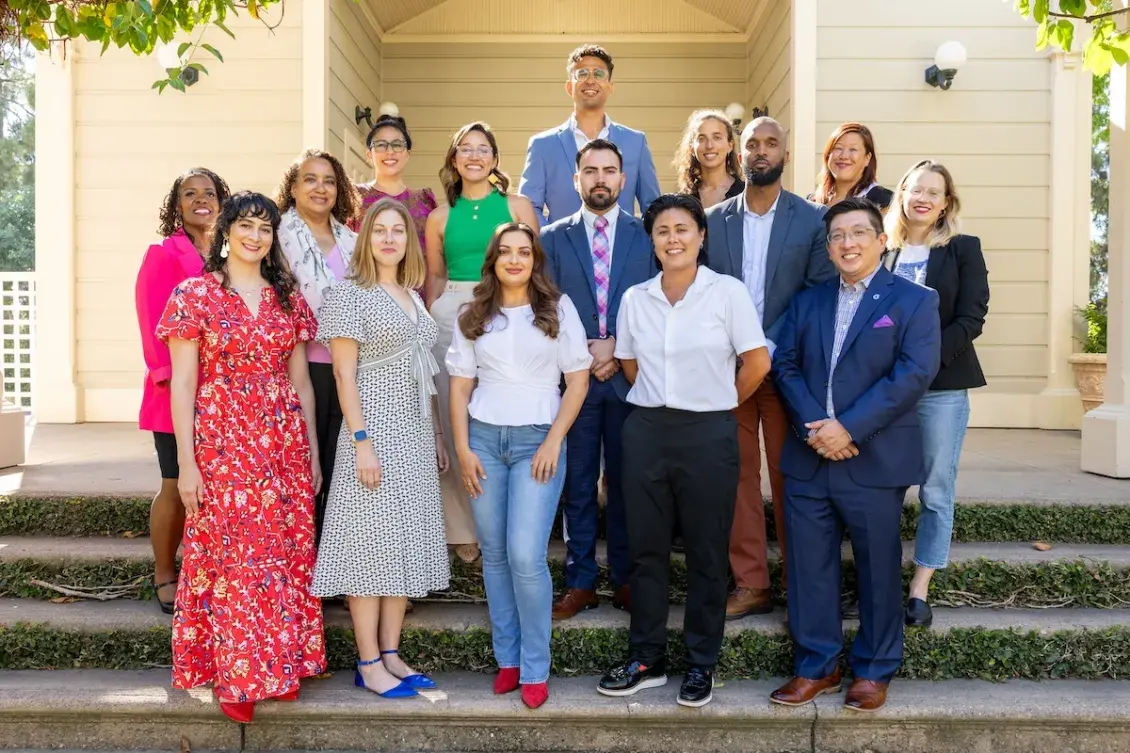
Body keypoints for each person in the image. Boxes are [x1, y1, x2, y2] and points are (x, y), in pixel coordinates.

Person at [158, 191, 326, 724]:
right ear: (227, 230)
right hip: (222, 440)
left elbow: (301, 380)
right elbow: (183, 384)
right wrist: (187, 462)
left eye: (265, 228)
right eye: (246, 225)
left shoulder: (287, 297)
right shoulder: (194, 295)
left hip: (282, 444)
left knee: (281, 554)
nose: (255, 236)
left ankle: (279, 665)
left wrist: (314, 453)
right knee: (232, 558)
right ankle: (236, 675)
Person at [597, 194, 770, 709]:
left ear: (701, 236)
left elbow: (756, 364)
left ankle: (701, 664)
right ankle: (646, 659)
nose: (673, 238)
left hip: (709, 434)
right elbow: (628, 365)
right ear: (652, 242)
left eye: (683, 229)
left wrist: (717, 402)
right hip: (647, 430)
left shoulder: (726, 293)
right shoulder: (636, 298)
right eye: (663, 231)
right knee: (646, 552)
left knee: (705, 553)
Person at [768, 197, 940, 713]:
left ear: (880, 240)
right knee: (808, 568)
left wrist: (850, 429)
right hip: (808, 455)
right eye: (838, 236)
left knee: (878, 569)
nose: (848, 243)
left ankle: (873, 669)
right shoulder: (808, 300)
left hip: (874, 458)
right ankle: (816, 666)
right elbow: (786, 365)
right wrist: (815, 428)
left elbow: (912, 374)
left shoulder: (914, 301)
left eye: (858, 233)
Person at [446, 222, 592, 710]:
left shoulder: (558, 309)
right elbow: (461, 386)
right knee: (494, 552)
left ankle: (535, 665)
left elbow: (576, 382)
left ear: (534, 260)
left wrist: (554, 441)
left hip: (537, 441)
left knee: (526, 556)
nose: (514, 259)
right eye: (505, 252)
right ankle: (507, 658)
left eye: (523, 252)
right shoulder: (473, 314)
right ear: (493, 260)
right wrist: (463, 449)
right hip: (483, 441)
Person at [312, 198, 451, 698]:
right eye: (379, 230)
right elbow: (344, 375)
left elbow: (425, 375)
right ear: (365, 238)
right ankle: (367, 660)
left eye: (398, 231)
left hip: (413, 433)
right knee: (368, 551)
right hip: (371, 433)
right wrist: (362, 442)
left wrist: (435, 434)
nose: (389, 238)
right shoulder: (349, 294)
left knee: (402, 548)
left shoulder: (412, 296)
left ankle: (392, 652)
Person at [703, 116, 834, 620]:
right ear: (739, 153)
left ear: (785, 152)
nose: (761, 151)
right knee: (736, 476)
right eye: (752, 144)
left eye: (771, 143)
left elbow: (817, 294)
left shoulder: (811, 220)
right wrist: (738, 349)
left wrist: (766, 347)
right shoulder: (714, 221)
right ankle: (751, 583)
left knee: (790, 476)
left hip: (786, 371)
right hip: (728, 371)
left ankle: (800, 582)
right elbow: (705, 290)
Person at [539, 139, 656, 620]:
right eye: (591, 171)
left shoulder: (647, 234)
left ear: (623, 180)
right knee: (579, 482)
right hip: (576, 380)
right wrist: (584, 351)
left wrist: (618, 348)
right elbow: (543, 303)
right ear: (577, 179)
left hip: (632, 377)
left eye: (610, 170)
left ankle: (627, 577)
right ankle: (581, 579)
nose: (601, 179)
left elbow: (656, 300)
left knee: (630, 481)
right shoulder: (550, 239)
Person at [425, 121, 541, 565]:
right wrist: (432, 319)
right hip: (451, 310)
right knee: (451, 417)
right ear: (454, 160)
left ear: (494, 158)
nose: (474, 156)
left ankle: (504, 519)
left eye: (483, 149)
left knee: (493, 418)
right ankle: (461, 530)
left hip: (505, 305)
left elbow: (534, 263)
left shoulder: (517, 205)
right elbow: (435, 276)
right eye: (465, 149)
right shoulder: (439, 216)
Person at [882, 160, 989, 628]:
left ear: (946, 203)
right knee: (881, 487)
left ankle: (919, 589)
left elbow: (972, 317)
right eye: (916, 189)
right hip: (882, 389)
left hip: (941, 386)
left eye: (934, 192)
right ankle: (877, 580)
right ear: (902, 195)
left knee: (936, 487)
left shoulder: (963, 249)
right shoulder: (882, 250)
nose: (923, 198)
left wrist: (923, 363)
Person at [135, 167, 229, 615]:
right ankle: (163, 571)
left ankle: (207, 572)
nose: (200, 200)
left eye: (208, 193)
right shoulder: (162, 253)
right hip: (174, 391)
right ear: (176, 205)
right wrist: (171, 383)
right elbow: (152, 324)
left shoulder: (231, 254)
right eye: (189, 194)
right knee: (175, 483)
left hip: (224, 396)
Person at [274, 149, 360, 543]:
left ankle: (338, 567)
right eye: (310, 179)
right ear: (292, 188)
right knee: (304, 468)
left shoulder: (353, 241)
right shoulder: (276, 236)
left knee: (339, 467)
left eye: (328, 180)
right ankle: (301, 569)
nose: (320, 188)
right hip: (298, 366)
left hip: (349, 367)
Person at [519, 44, 661, 224]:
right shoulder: (542, 145)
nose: (591, 80)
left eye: (599, 74)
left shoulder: (636, 142)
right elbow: (528, 207)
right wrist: (551, 242)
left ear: (610, 87)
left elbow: (653, 207)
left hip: (623, 250)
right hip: (560, 251)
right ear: (569, 87)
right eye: (582, 73)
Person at [350, 112, 438, 255]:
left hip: (415, 277)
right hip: (365, 278)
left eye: (397, 145)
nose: (389, 151)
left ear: (408, 154)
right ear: (368, 155)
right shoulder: (354, 198)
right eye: (381, 145)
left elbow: (436, 257)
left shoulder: (424, 202)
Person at [810, 123, 893, 210]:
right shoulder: (811, 203)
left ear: (867, 158)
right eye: (838, 148)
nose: (843, 156)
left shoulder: (884, 202)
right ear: (827, 155)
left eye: (853, 149)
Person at [674, 109, 744, 208]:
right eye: (701, 138)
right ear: (692, 149)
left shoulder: (746, 194)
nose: (709, 145)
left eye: (717, 137)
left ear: (730, 145)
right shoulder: (683, 200)